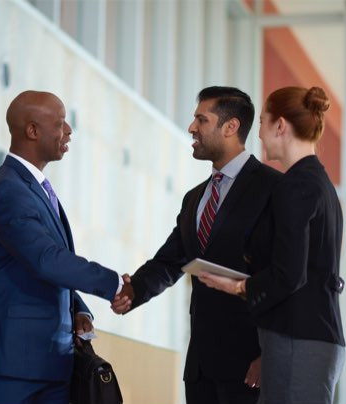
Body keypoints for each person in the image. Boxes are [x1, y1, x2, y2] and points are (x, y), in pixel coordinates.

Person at [112, 86, 282, 404]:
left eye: (201, 120)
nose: (192, 128)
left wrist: (267, 354)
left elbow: (282, 275)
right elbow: (171, 260)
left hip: (250, 367)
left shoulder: (272, 189)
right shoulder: (194, 198)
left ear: (230, 127)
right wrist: (133, 291)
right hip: (201, 369)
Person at [0, 90, 128, 404]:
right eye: (60, 123)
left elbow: (35, 267)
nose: (68, 131)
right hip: (13, 364)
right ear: (32, 131)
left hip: (51, 363)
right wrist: (114, 284)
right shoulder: (10, 190)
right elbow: (45, 259)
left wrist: (77, 309)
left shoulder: (33, 189)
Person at [198, 86, 346, 404]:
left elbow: (289, 274)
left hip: (298, 339)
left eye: (263, 122)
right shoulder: (320, 184)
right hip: (310, 337)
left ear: (280, 126)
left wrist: (237, 286)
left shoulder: (295, 186)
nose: (260, 134)